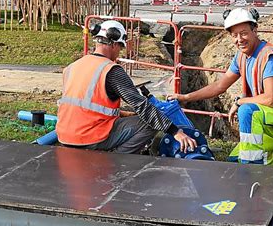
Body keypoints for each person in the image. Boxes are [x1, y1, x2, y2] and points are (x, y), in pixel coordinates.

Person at [168, 8, 273, 167]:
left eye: (243, 33)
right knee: (234, 159)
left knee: (247, 112)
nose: (239, 39)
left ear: (254, 30)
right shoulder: (242, 56)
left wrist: (239, 102)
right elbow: (219, 85)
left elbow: (270, 99)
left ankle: (251, 169)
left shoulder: (268, 56)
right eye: (234, 35)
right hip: (272, 121)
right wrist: (185, 97)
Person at [56, 20, 197, 154]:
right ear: (113, 44)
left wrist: (124, 114)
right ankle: (117, 158)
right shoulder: (111, 70)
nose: (119, 53)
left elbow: (85, 106)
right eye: (120, 47)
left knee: (141, 117)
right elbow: (142, 106)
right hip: (89, 138)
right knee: (151, 122)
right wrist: (175, 131)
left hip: (64, 136)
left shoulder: (73, 66)